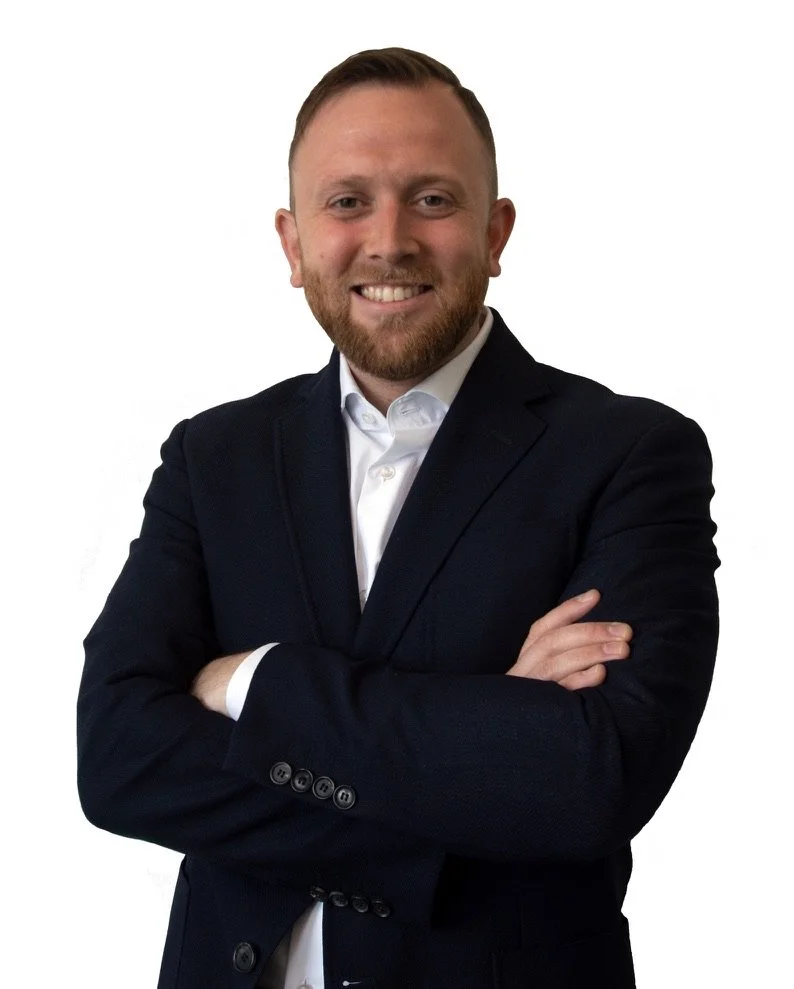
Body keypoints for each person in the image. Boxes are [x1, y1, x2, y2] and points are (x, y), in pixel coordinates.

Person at [77, 47, 719, 989]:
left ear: (495, 232)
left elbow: (589, 782)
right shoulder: (212, 457)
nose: (388, 241)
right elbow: (119, 760)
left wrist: (255, 680)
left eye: (432, 199)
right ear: (293, 245)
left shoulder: (631, 454)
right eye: (347, 202)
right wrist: (485, 733)